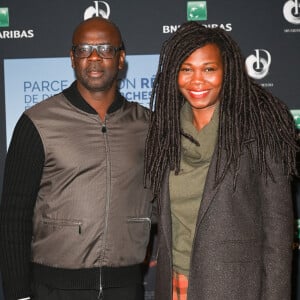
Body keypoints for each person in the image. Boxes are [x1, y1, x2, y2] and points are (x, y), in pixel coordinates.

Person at [0, 17, 153, 300]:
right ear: (72, 58)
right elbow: (13, 215)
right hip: (53, 289)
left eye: (105, 48)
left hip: (125, 287)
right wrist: (17, 293)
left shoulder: (147, 124)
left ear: (121, 59)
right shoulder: (38, 122)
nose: (94, 57)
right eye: (84, 49)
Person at [144, 21, 299, 300]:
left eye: (209, 69)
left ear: (227, 70)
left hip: (237, 289)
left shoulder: (260, 129)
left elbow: (277, 234)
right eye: (186, 69)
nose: (197, 80)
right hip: (175, 283)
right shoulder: (164, 132)